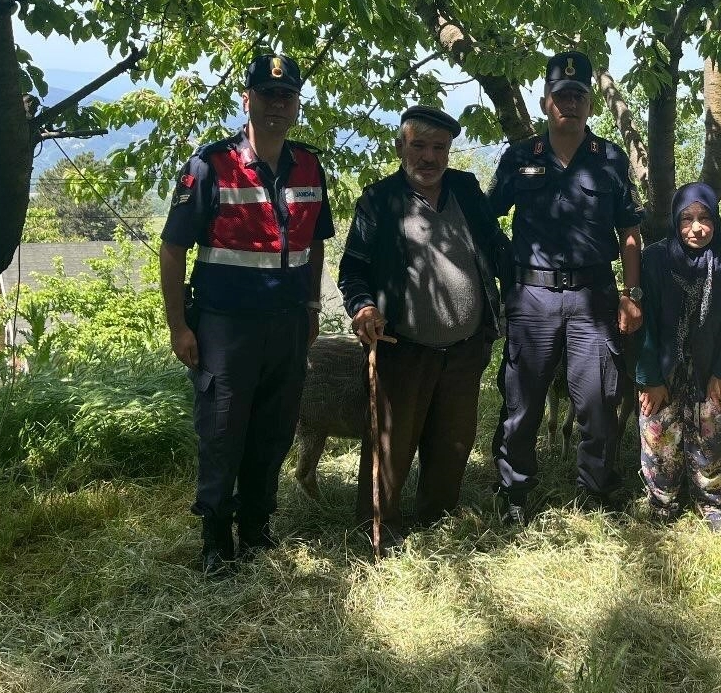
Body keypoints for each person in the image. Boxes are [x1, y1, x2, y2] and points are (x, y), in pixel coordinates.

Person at [160, 52, 334, 578]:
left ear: (296, 104)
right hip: (225, 327)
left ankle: (257, 528)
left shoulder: (309, 165)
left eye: (287, 96)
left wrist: (310, 307)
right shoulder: (211, 165)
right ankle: (216, 539)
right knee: (222, 432)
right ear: (248, 100)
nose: (278, 105)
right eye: (268, 95)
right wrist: (178, 326)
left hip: (286, 324)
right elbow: (172, 249)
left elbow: (315, 245)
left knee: (274, 431)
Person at [338, 105, 510, 545]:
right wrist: (362, 307)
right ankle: (380, 529)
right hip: (402, 346)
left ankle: (437, 520)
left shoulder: (466, 189)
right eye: (419, 146)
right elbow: (352, 269)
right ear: (401, 147)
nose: (430, 157)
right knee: (390, 448)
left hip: (466, 347)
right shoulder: (379, 200)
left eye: (439, 147)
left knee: (453, 444)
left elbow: (494, 244)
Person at [489, 51, 644, 523]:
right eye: (561, 97)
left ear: (590, 105)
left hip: (593, 297)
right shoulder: (520, 157)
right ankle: (514, 492)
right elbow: (485, 218)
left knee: (598, 398)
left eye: (578, 97)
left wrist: (632, 295)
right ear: (545, 103)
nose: (569, 105)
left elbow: (630, 233)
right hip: (531, 297)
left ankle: (595, 489)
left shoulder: (610, 160)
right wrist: (506, 268)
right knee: (522, 400)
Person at [635, 182, 721, 531]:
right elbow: (646, 324)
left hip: (710, 363)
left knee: (712, 430)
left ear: (716, 220)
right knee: (658, 430)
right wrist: (650, 378)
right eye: (686, 219)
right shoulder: (654, 260)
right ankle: (663, 501)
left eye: (705, 218)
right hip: (664, 363)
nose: (696, 228)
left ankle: (713, 503)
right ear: (675, 221)